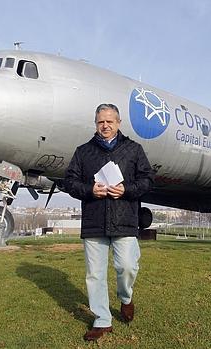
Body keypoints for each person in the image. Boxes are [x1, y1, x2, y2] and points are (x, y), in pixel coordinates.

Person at [64, 103, 153, 341]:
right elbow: (70, 182)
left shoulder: (134, 150)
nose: (105, 125)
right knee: (95, 274)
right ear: (96, 124)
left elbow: (147, 181)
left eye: (109, 121)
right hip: (94, 221)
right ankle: (102, 320)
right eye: (101, 121)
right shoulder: (83, 152)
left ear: (118, 123)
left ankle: (126, 298)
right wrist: (90, 190)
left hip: (124, 219)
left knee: (127, 266)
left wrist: (125, 190)